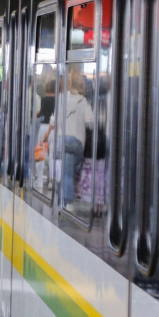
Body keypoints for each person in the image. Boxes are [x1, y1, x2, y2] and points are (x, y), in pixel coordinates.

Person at [61, 72, 93, 212]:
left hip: (65, 140)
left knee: (67, 173)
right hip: (79, 142)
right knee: (74, 169)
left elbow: (55, 119)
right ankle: (69, 196)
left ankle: (67, 202)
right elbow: (90, 122)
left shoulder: (63, 99)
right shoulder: (84, 101)